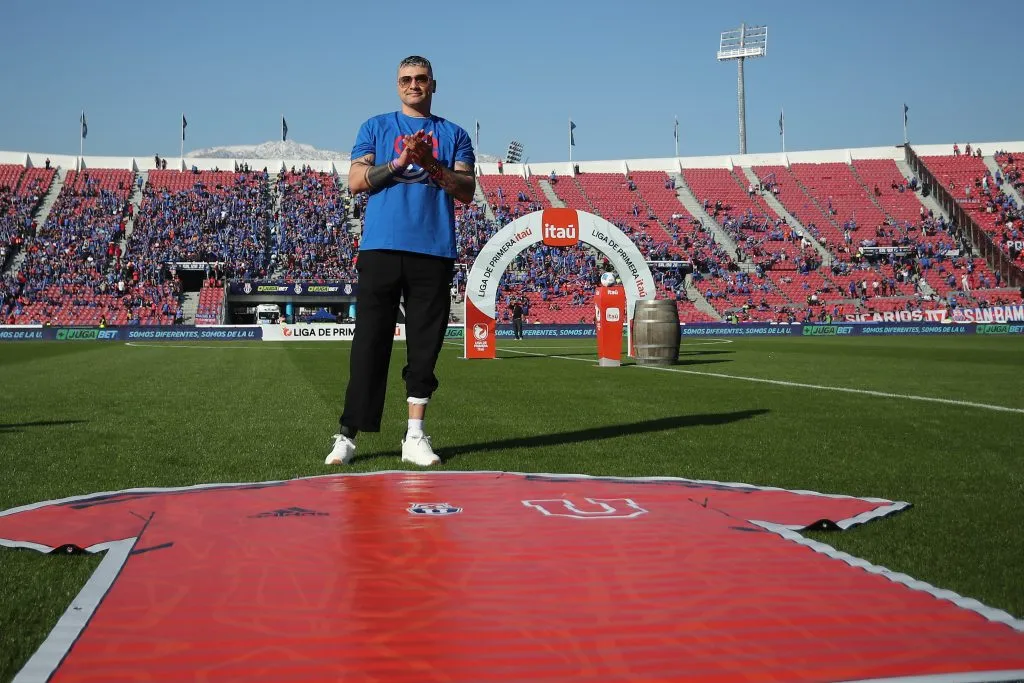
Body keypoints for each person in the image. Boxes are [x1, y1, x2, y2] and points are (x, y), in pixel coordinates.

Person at [326, 55, 475, 468]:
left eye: (421, 78)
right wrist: (400, 162)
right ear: (397, 86)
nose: (414, 84)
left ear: (433, 84)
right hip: (381, 247)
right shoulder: (375, 127)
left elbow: (465, 190)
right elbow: (356, 181)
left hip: (433, 248)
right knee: (369, 342)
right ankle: (347, 434)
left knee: (425, 347)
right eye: (406, 79)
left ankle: (415, 435)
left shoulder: (455, 134)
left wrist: (429, 164)